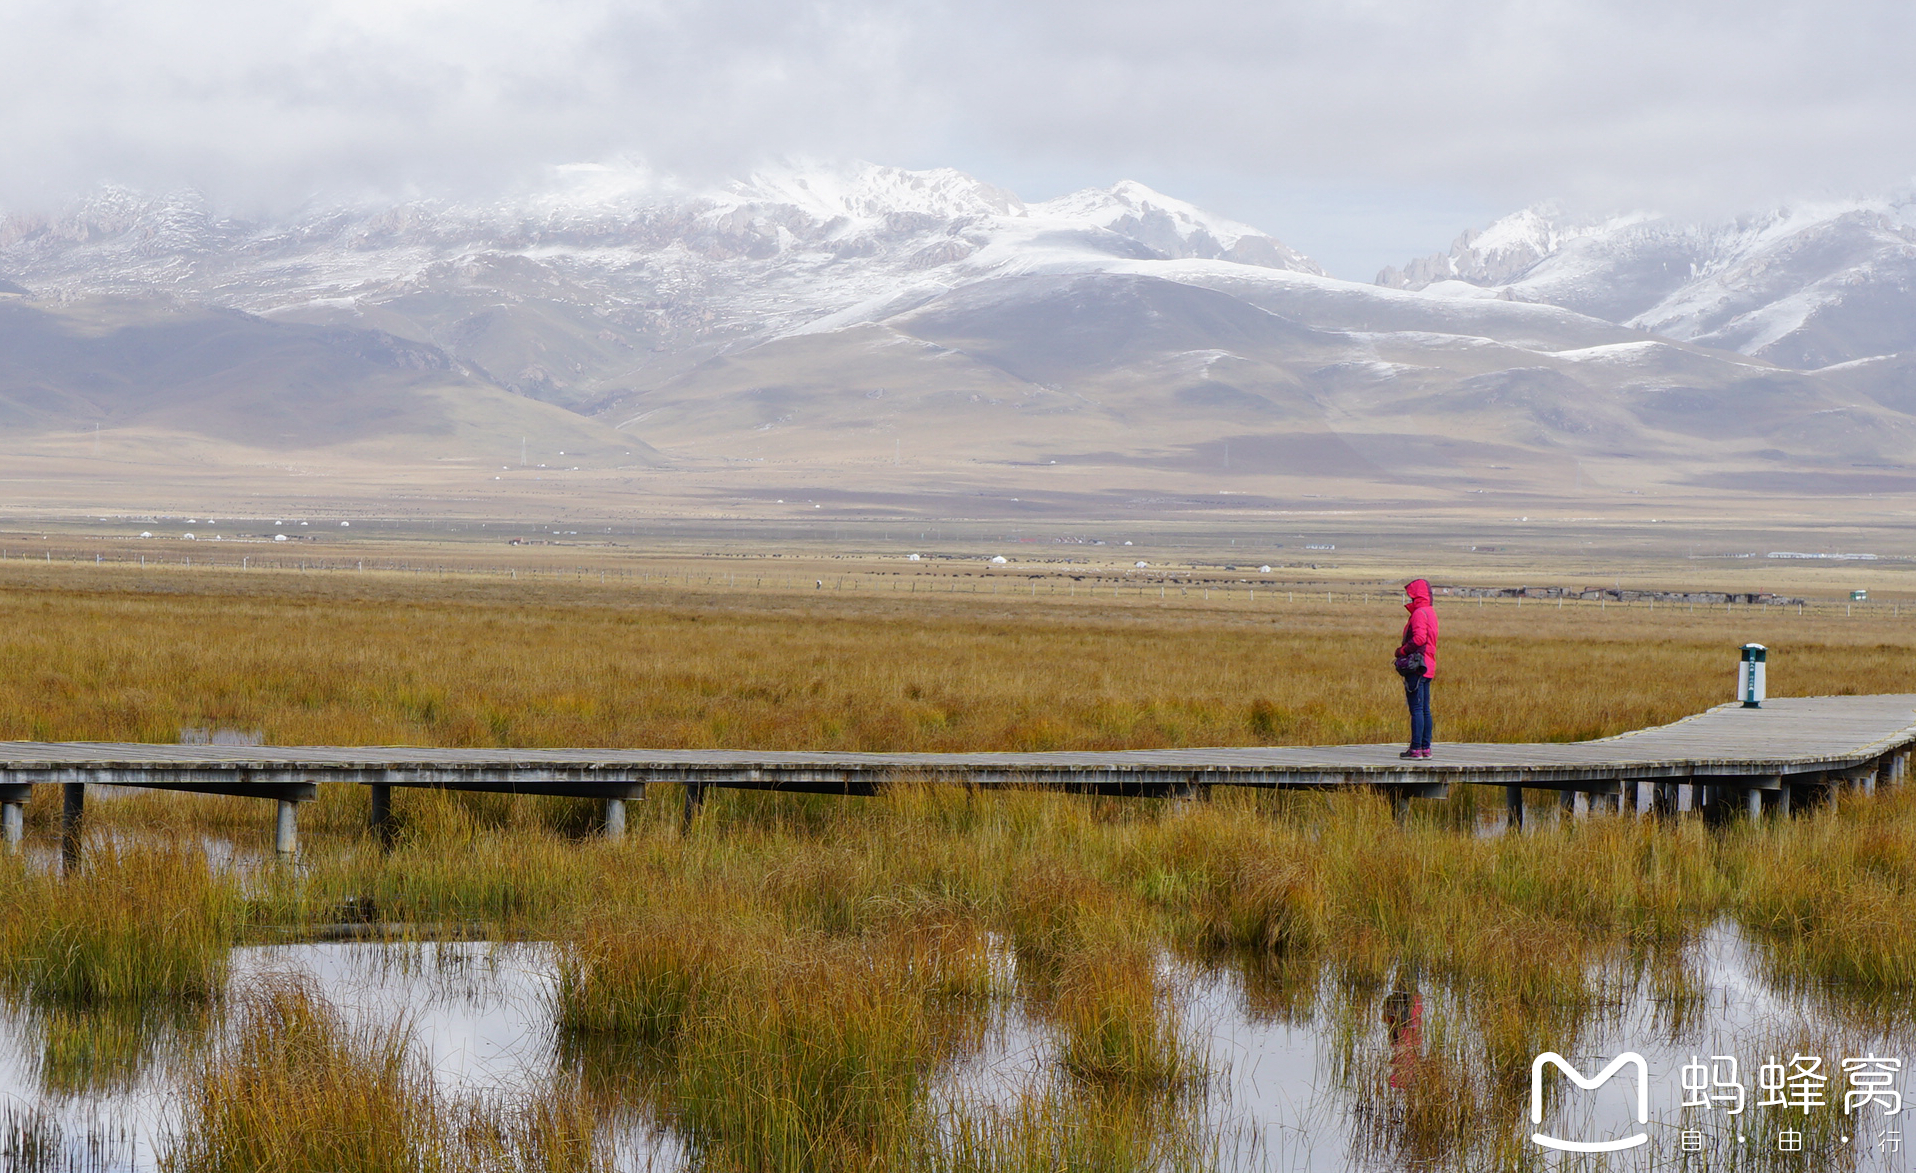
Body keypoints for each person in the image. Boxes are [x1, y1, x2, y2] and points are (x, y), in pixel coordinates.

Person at [1396, 579, 1437, 758]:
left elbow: (1419, 639)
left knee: (1417, 709)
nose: (1409, 598)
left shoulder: (1419, 613)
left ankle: (1415, 749)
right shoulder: (1430, 612)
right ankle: (1425, 748)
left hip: (1417, 666)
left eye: (1411, 595)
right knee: (1425, 709)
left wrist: (1402, 651)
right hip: (1428, 665)